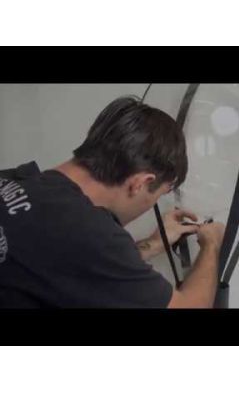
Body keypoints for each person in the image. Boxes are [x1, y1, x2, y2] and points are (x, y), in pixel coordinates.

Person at [0, 96, 225, 308]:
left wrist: (154, 243)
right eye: (158, 195)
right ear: (140, 183)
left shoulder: (20, 181)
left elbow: (79, 266)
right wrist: (211, 245)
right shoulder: (85, 229)